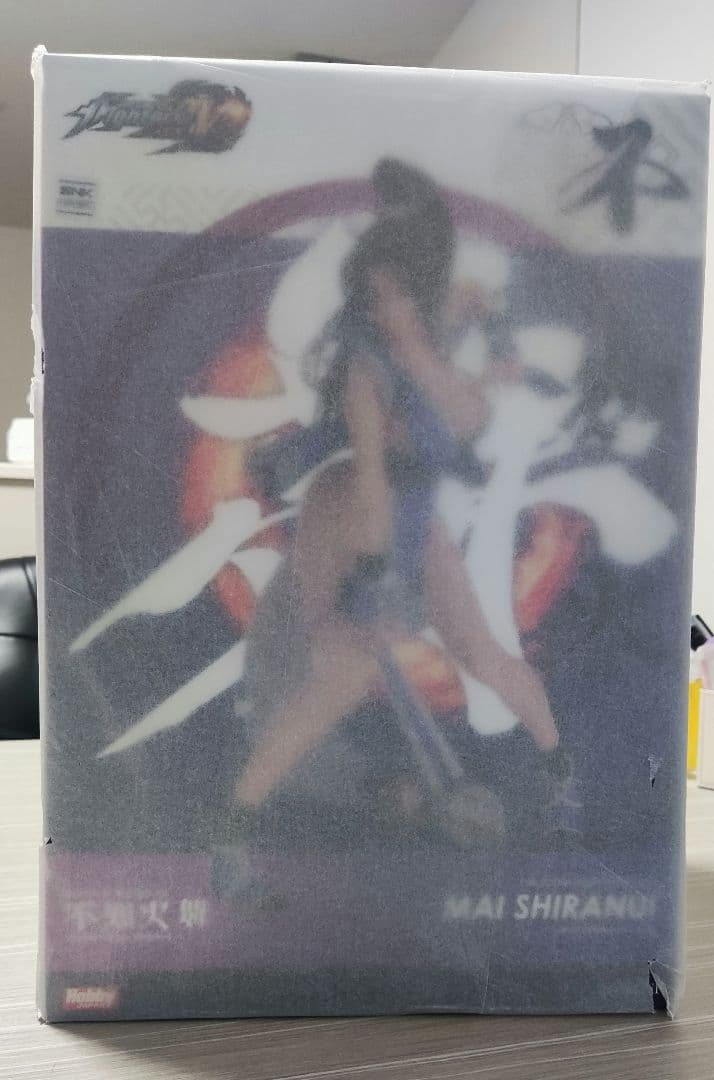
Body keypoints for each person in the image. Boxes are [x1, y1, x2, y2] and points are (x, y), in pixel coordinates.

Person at [227, 158, 564, 847]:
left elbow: (466, 392)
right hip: (352, 513)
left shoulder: (445, 342)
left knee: (481, 652)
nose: (383, 311)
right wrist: (377, 575)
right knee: (343, 671)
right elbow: (374, 478)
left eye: (395, 296)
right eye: (374, 298)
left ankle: (562, 771)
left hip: (413, 516)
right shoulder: (368, 369)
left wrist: (497, 347)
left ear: (420, 291)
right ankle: (237, 819)